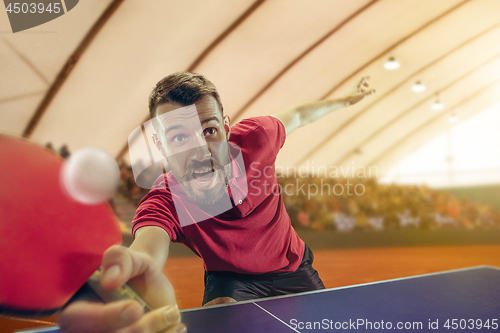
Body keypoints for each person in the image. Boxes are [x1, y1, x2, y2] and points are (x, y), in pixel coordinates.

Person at [58, 72, 375, 333]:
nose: (200, 151)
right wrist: (138, 268)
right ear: (160, 145)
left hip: (293, 269)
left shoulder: (257, 138)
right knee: (219, 318)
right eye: (179, 138)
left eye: (208, 130)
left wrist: (347, 99)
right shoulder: (166, 199)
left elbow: (300, 115)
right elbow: (147, 246)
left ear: (225, 128)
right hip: (230, 278)